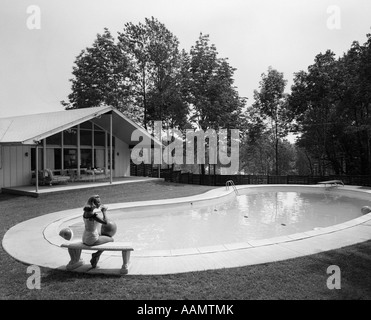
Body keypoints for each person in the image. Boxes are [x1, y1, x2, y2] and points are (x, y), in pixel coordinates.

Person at [82, 195, 113, 268]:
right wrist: (104, 211)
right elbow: (105, 222)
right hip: (91, 239)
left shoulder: (86, 212)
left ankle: (96, 256)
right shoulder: (93, 215)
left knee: (104, 237)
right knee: (111, 239)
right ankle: (96, 255)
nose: (100, 203)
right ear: (93, 203)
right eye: (98, 202)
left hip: (84, 237)